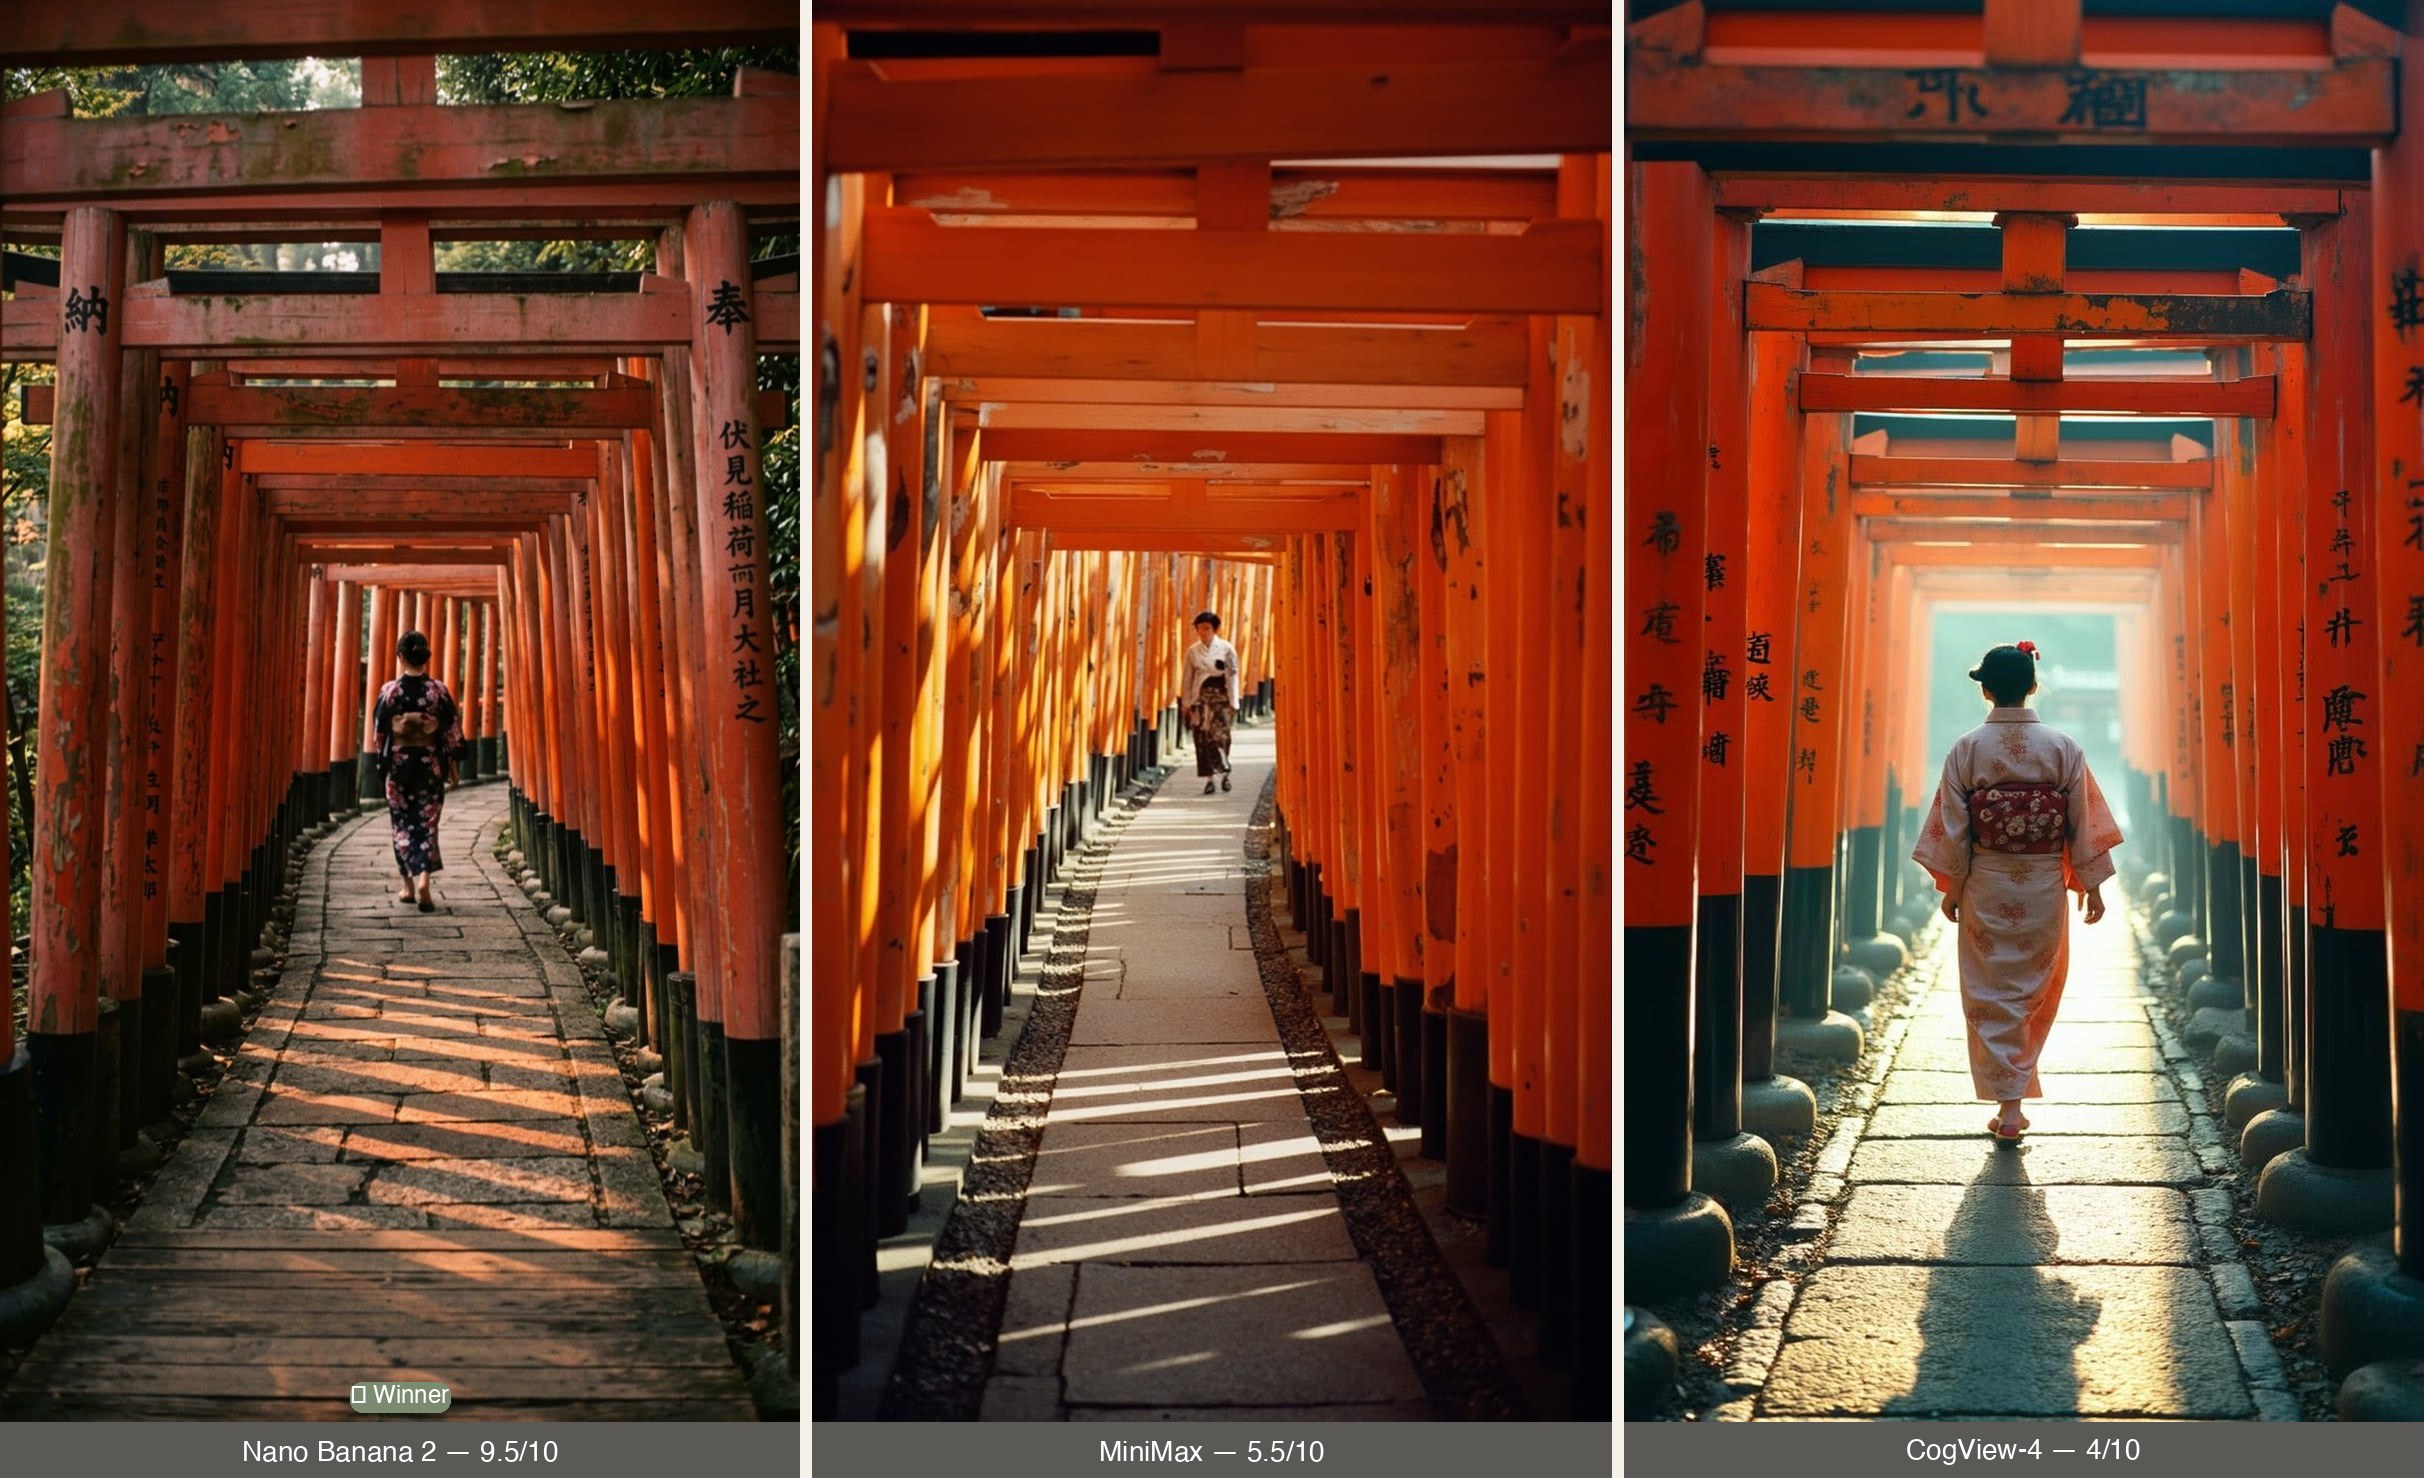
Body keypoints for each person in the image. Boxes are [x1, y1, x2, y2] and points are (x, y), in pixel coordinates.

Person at [1911, 641, 2123, 1144]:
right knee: (2031, 990)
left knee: (1990, 992)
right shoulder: (2062, 747)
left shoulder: (1967, 748)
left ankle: (2009, 1106)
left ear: (1985, 690)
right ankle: (2013, 1104)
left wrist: (1954, 887)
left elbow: (1955, 829)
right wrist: (2090, 883)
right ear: (2032, 686)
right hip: (2044, 883)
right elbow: (2082, 821)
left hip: (1987, 881)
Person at [372, 630, 465, 912]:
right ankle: (424, 879)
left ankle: (408, 887)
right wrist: (452, 763)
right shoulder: (437, 690)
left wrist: (383, 762)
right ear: (426, 657)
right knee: (427, 822)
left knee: (401, 823)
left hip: (400, 765)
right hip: (430, 764)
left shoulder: (390, 691)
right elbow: (451, 729)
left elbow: (379, 733)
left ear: (400, 657)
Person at [1181, 610, 1242, 795]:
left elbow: (1233, 674)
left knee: (1221, 736)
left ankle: (1225, 774)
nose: (1203, 631)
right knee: (1203, 737)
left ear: (1214, 629)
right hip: (1200, 698)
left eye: (1206, 628)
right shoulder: (1193, 651)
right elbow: (1188, 677)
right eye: (1199, 628)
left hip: (1221, 698)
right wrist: (1187, 701)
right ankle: (1209, 779)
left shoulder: (1226, 648)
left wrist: (1233, 700)